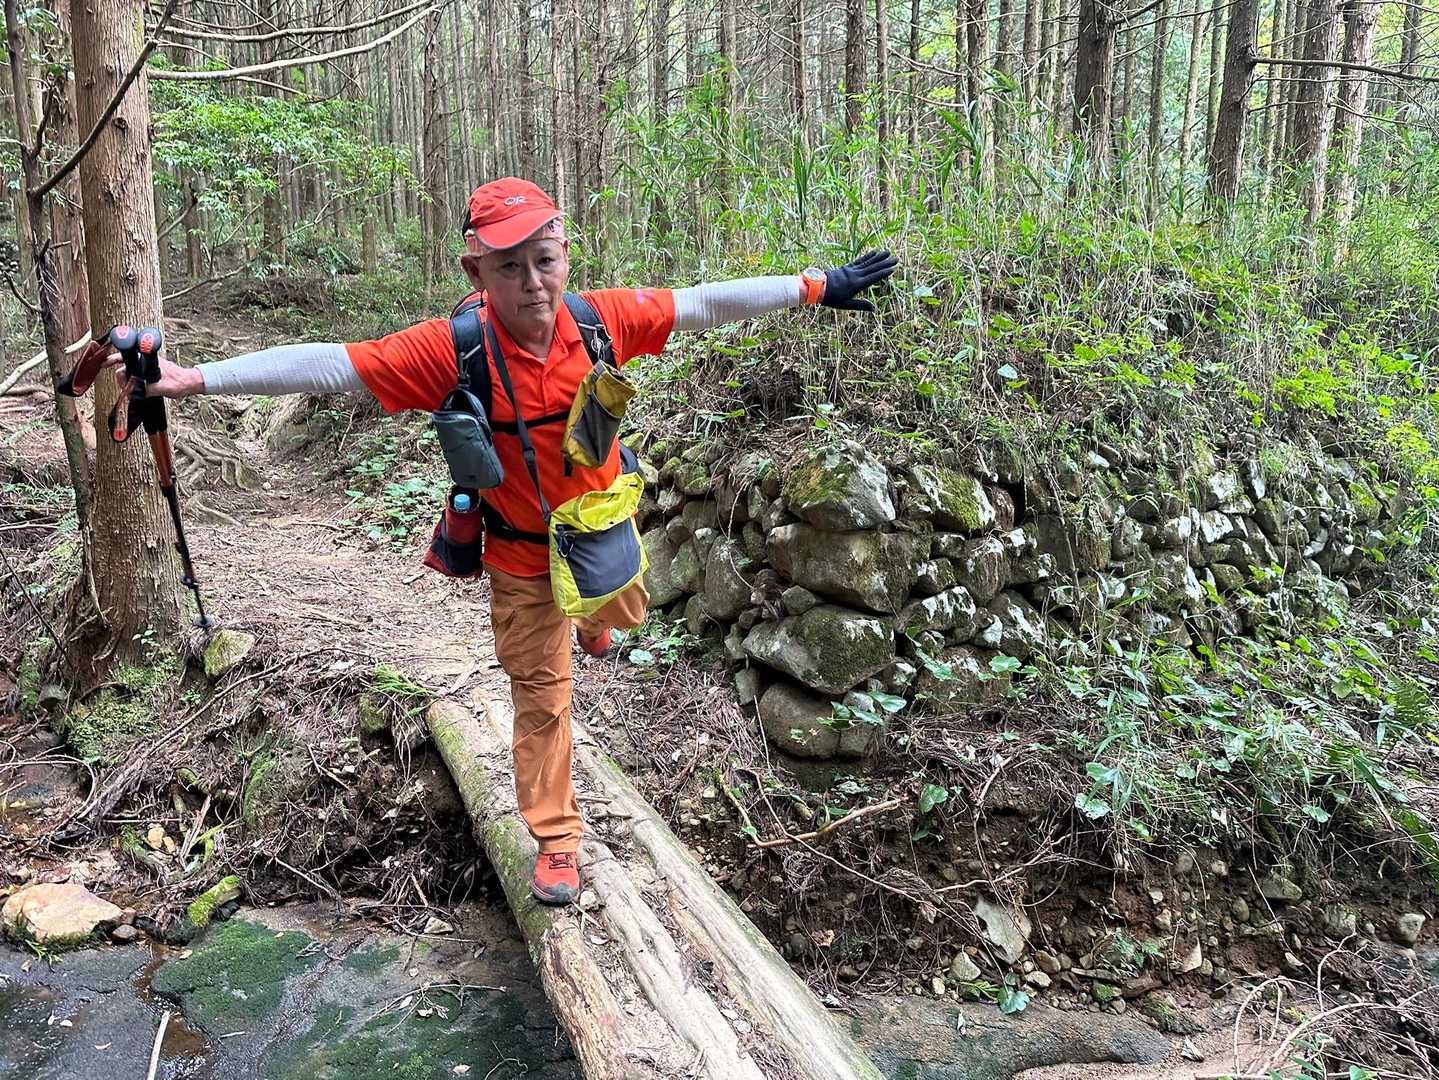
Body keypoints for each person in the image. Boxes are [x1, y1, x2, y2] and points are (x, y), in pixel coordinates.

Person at [125, 177, 898, 905]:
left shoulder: (600, 322)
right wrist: (196, 380)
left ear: (565, 255)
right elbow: (332, 365)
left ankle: (592, 621)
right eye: (509, 267)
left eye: (544, 260)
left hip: (600, 531)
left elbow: (701, 302)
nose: (532, 283)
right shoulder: (451, 350)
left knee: (620, 612)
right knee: (541, 699)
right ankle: (556, 838)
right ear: (477, 272)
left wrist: (813, 286)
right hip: (520, 557)